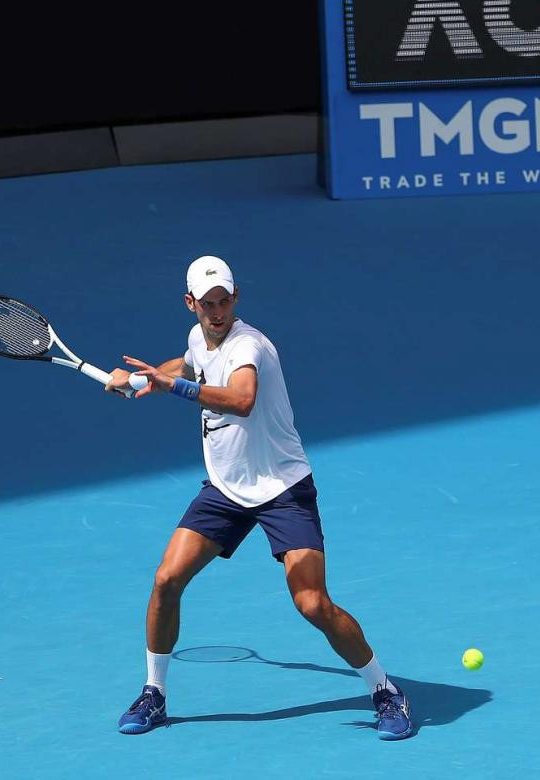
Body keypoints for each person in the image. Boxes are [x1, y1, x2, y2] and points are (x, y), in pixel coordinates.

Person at [104, 255, 413, 740]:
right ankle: (154, 693)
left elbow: (242, 399)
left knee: (312, 603)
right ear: (191, 304)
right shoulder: (197, 337)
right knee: (166, 579)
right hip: (226, 488)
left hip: (282, 488)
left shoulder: (250, 345)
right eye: (208, 304)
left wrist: (174, 387)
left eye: (225, 300)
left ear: (236, 297)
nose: (218, 311)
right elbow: (185, 363)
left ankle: (385, 691)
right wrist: (141, 380)